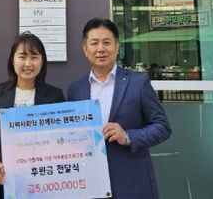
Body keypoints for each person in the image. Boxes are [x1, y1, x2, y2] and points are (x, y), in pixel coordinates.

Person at [68, 18, 171, 199]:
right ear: (85, 49)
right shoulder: (76, 89)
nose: (101, 49)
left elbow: (163, 127)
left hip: (132, 181)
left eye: (107, 42)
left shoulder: (138, 82)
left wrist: (128, 136)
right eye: (94, 43)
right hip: (91, 183)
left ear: (117, 47)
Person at [0, 32, 65, 199]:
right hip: (2, 184)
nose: (28, 63)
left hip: (42, 184)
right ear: (12, 60)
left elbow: (63, 141)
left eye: (34, 57)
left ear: (42, 61)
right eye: (22, 56)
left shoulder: (55, 96)